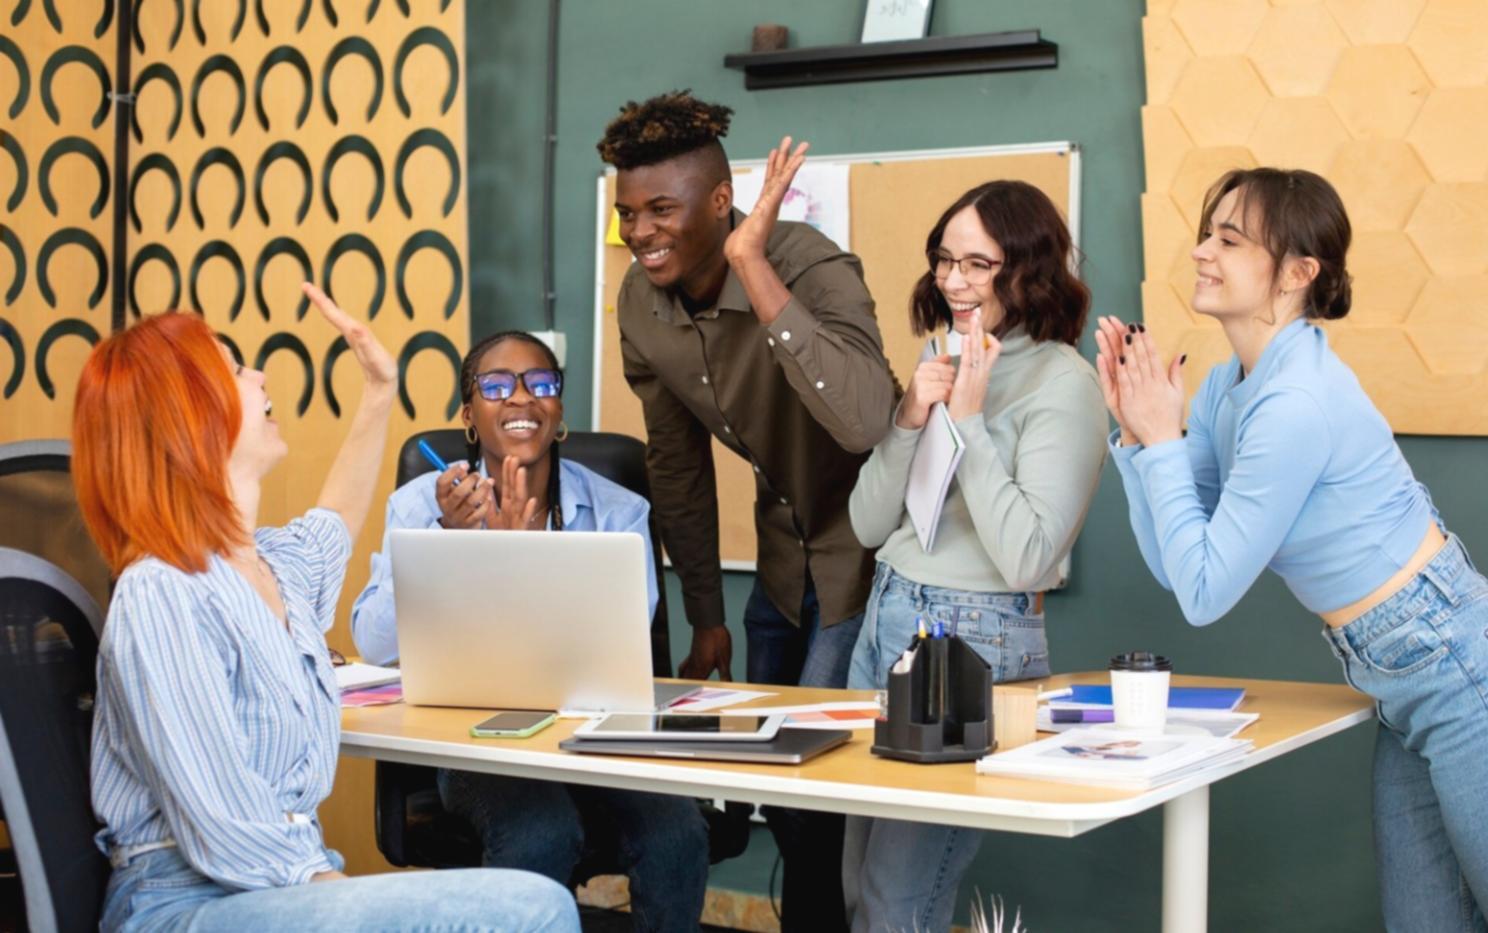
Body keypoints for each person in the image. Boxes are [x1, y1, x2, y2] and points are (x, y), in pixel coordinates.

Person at [1101, 167, 1488, 932]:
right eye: (1206, 232)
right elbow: (1184, 570)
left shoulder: (1296, 399)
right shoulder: (1223, 385)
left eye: (1230, 238)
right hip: (1402, 675)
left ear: (1298, 272)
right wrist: (1138, 440)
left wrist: (1161, 444)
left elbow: (1207, 590)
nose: (1202, 251)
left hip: (1461, 663)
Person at [73, 289, 579, 933]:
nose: (258, 376)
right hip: (188, 901)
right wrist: (339, 892)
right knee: (534, 909)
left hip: (281, 886)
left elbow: (334, 519)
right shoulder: (162, 593)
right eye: (233, 370)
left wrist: (378, 389)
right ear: (189, 419)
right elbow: (224, 829)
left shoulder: (271, 565)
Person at [599, 91, 897, 929]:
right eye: (627, 213)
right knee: (772, 779)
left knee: (814, 789)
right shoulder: (638, 302)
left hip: (869, 551)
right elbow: (676, 465)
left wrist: (754, 267)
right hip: (780, 559)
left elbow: (867, 419)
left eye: (662, 208)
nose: (641, 231)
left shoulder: (807, 263)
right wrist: (705, 613)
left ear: (721, 201)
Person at [351, 329, 708, 933]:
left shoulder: (620, 511)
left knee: (678, 831)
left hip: (590, 739)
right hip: (476, 741)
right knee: (541, 831)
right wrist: (453, 542)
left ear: (558, 407)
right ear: (469, 414)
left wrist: (526, 551)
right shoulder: (421, 506)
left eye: (540, 384)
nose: (521, 399)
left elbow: (619, 635)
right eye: (496, 386)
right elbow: (373, 641)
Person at [842, 180, 1107, 933]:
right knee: (858, 880)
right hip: (887, 616)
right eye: (942, 260)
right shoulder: (941, 353)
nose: (952, 280)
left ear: (1030, 270)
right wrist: (907, 418)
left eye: (977, 264)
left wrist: (967, 424)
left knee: (901, 896)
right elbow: (867, 524)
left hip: (969, 638)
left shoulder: (1066, 383)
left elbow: (1026, 555)